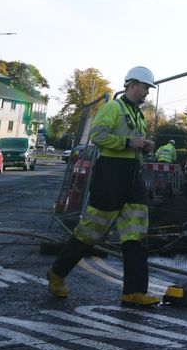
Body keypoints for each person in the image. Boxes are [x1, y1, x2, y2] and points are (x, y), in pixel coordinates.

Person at [47, 66, 160, 307]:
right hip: (111, 173)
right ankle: (57, 273)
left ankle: (134, 291)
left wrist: (143, 146)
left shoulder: (138, 114)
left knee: (136, 232)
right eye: (145, 88)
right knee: (91, 231)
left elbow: (132, 142)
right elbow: (98, 136)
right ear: (133, 85)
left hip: (132, 174)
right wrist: (129, 141)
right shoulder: (113, 108)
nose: (147, 93)